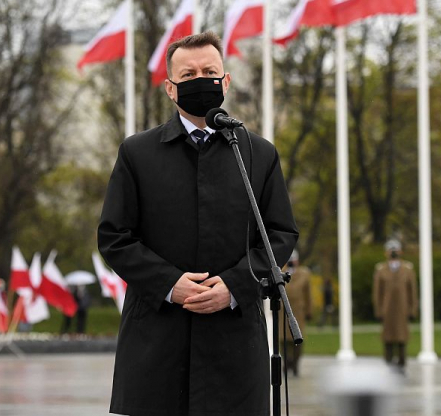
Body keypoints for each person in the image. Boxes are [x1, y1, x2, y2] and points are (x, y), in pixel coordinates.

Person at [98, 31, 299, 416]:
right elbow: (114, 237)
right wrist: (169, 284)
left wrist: (236, 286)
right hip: (156, 343)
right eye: (187, 75)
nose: (200, 80)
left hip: (235, 344)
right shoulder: (137, 154)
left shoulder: (258, 153)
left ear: (226, 81)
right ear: (171, 89)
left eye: (209, 71)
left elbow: (279, 235)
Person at [372, 239, 417, 372]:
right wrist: (378, 310)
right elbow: (377, 292)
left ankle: (402, 364)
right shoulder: (381, 270)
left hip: (402, 308)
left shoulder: (408, 269)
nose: (393, 253)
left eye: (395, 250)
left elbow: (412, 292)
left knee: (402, 337)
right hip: (387, 309)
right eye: (391, 250)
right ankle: (388, 363)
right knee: (388, 338)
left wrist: (413, 309)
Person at [278, 250, 311, 377]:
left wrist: (308, 310)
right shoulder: (280, 271)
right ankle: (286, 363)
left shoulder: (304, 274)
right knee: (284, 339)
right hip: (283, 311)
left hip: (298, 311)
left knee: (298, 339)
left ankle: (296, 364)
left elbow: (308, 295)